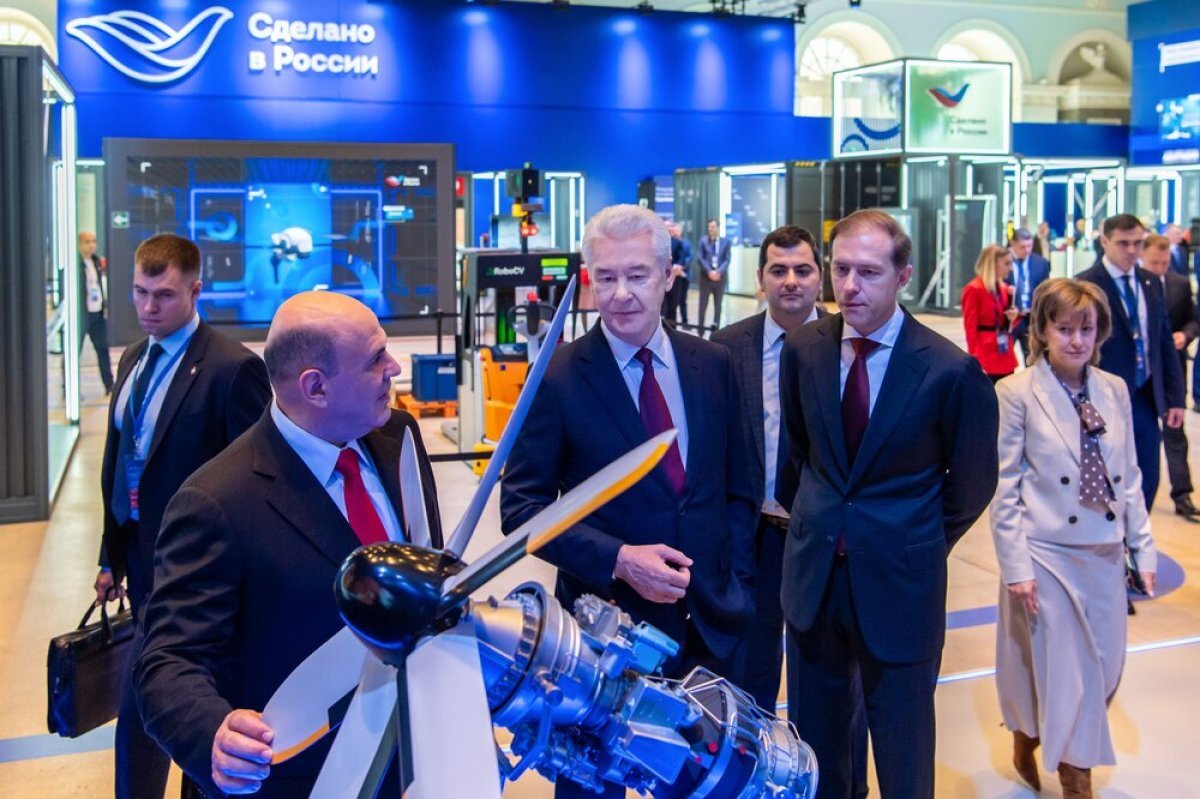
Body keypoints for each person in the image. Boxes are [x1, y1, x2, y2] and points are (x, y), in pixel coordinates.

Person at [135, 291, 443, 797]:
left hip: (412, 761)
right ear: (315, 387)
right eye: (375, 360)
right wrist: (214, 735)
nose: (394, 368)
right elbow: (168, 662)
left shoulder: (397, 437)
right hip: (302, 778)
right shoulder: (217, 502)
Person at [501, 204, 756, 799]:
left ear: (668, 276)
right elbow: (522, 509)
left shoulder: (712, 364)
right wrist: (617, 560)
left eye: (637, 275)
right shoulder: (557, 377)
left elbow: (739, 488)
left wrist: (737, 586)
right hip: (605, 646)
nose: (620, 294)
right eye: (606, 277)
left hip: (710, 630)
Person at [776, 208, 998, 799]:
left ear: (903, 276)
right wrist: (820, 524)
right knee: (818, 759)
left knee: (904, 758)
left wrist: (912, 540)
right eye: (841, 269)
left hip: (901, 588)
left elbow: (973, 483)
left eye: (869, 272)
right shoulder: (804, 350)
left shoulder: (949, 370)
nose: (850, 286)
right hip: (815, 585)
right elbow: (798, 456)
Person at [93, 233, 271, 799]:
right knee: (148, 708)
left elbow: (256, 480)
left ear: (196, 291)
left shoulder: (231, 369)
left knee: (162, 708)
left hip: (198, 570)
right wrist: (110, 556)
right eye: (140, 293)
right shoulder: (133, 359)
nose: (148, 308)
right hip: (142, 562)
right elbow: (123, 463)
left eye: (164, 295)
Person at [711, 225, 870, 799]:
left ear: (819, 276)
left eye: (803, 270)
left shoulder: (851, 345)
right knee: (745, 682)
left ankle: (840, 790)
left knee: (832, 687)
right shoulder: (726, 349)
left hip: (825, 544)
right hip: (752, 539)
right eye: (778, 270)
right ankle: (747, 786)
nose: (791, 281)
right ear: (760, 280)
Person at [991, 278, 1157, 799]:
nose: (1077, 340)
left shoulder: (1114, 389)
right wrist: (1016, 567)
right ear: (1043, 330)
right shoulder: (1016, 392)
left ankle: (1029, 731)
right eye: (1064, 329)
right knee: (1069, 672)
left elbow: (1129, 475)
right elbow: (1005, 486)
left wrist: (1142, 548)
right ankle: (1074, 775)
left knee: (1105, 668)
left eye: (1086, 329)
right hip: (1045, 553)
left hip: (1104, 551)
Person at [1076, 213, 1185, 511]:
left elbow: (1163, 342)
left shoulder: (1150, 282)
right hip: (1101, 397)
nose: (1132, 250)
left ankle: (1136, 533)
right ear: (1105, 242)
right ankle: (1110, 535)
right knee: (1105, 477)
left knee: (1148, 474)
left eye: (1137, 243)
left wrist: (1176, 397)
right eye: (1123, 243)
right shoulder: (1086, 285)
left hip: (1146, 395)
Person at [1142, 233, 1200, 519]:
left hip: (1172, 369)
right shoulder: (1134, 284)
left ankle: (1182, 494)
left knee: (1175, 432)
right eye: (1154, 263)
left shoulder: (1179, 284)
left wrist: (1185, 335)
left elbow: (1194, 320)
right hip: (1142, 372)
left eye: (1164, 263)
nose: (1160, 269)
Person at [962, 244, 1019, 383]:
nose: (1010, 268)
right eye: (1006, 263)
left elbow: (1007, 324)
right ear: (993, 263)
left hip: (1004, 352)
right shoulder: (974, 289)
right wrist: (975, 358)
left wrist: (1013, 317)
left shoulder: (1004, 289)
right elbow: (970, 327)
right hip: (985, 354)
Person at [1005, 227, 1051, 363]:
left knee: (1032, 358)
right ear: (1012, 244)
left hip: (1031, 318)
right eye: (1022, 247)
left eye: (1029, 246)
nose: (1027, 250)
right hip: (1009, 317)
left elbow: (1045, 290)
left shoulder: (1040, 263)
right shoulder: (1002, 261)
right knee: (1005, 358)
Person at [78, 230, 115, 395]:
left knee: (102, 348)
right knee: (74, 352)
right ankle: (69, 387)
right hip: (81, 315)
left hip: (97, 312)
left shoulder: (96, 262)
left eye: (93, 241)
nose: (92, 245)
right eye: (87, 242)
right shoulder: (76, 265)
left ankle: (109, 385)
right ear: (79, 244)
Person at [696, 218, 731, 332]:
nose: (710, 229)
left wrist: (719, 272)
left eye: (713, 227)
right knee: (703, 305)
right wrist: (709, 271)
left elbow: (727, 259)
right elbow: (700, 258)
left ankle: (716, 329)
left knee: (718, 305)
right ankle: (700, 330)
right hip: (705, 278)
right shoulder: (703, 241)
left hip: (720, 278)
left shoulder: (726, 242)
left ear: (718, 228)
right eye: (709, 227)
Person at [661, 221, 691, 327]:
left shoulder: (678, 242)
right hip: (660, 279)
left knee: (673, 306)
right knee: (661, 306)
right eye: (666, 226)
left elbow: (682, 258)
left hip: (674, 278)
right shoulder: (656, 243)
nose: (668, 228)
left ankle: (672, 329)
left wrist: (677, 266)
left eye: (670, 226)